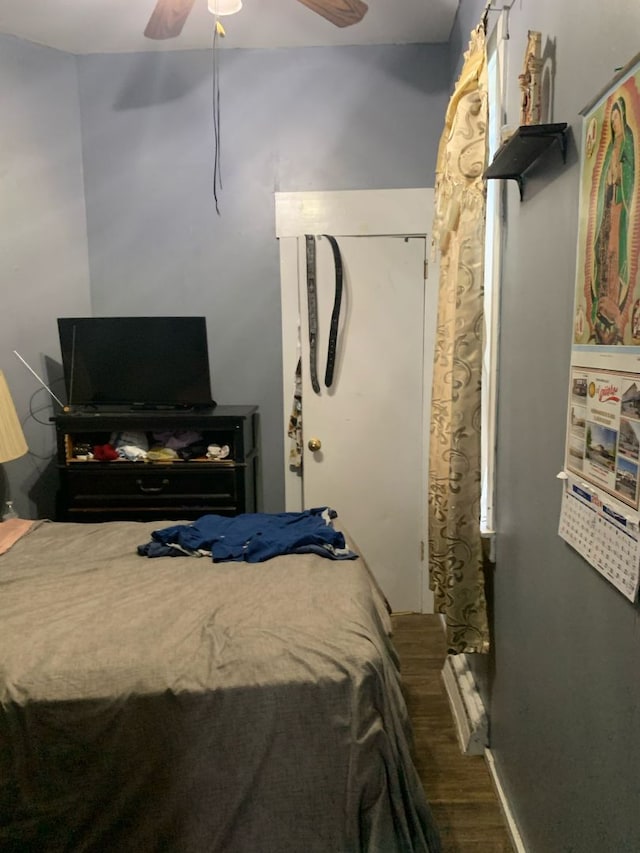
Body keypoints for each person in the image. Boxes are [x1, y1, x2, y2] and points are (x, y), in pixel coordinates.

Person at [590, 95, 636, 344]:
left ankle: (613, 300)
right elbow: (604, 180)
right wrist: (609, 178)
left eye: (618, 116)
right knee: (604, 252)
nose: (615, 120)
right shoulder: (610, 147)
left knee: (614, 252)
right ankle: (603, 299)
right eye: (613, 117)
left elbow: (629, 172)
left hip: (620, 205)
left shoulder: (627, 140)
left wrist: (620, 174)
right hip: (609, 205)